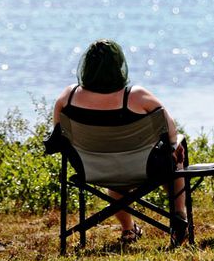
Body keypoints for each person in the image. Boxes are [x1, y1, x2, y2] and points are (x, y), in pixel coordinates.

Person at [52, 39, 187, 244]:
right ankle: (179, 215)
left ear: (86, 67)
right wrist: (173, 147)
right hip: (144, 168)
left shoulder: (67, 97)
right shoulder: (138, 96)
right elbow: (171, 132)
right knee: (176, 152)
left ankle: (128, 229)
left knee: (112, 161)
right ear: (119, 67)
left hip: (91, 169)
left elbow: (58, 137)